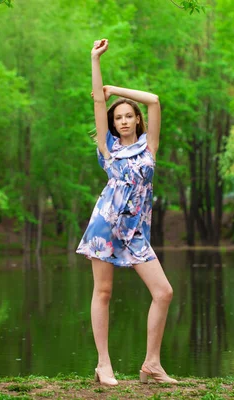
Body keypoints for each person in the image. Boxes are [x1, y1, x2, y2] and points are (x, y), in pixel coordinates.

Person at [76, 39, 177, 387]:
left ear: (137, 120)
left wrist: (117, 89)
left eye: (127, 116)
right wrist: (95, 60)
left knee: (163, 292)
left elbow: (154, 100)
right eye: (116, 117)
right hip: (106, 224)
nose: (122, 121)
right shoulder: (107, 147)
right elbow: (98, 100)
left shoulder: (150, 147)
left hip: (136, 232)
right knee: (102, 292)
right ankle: (104, 365)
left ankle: (151, 363)